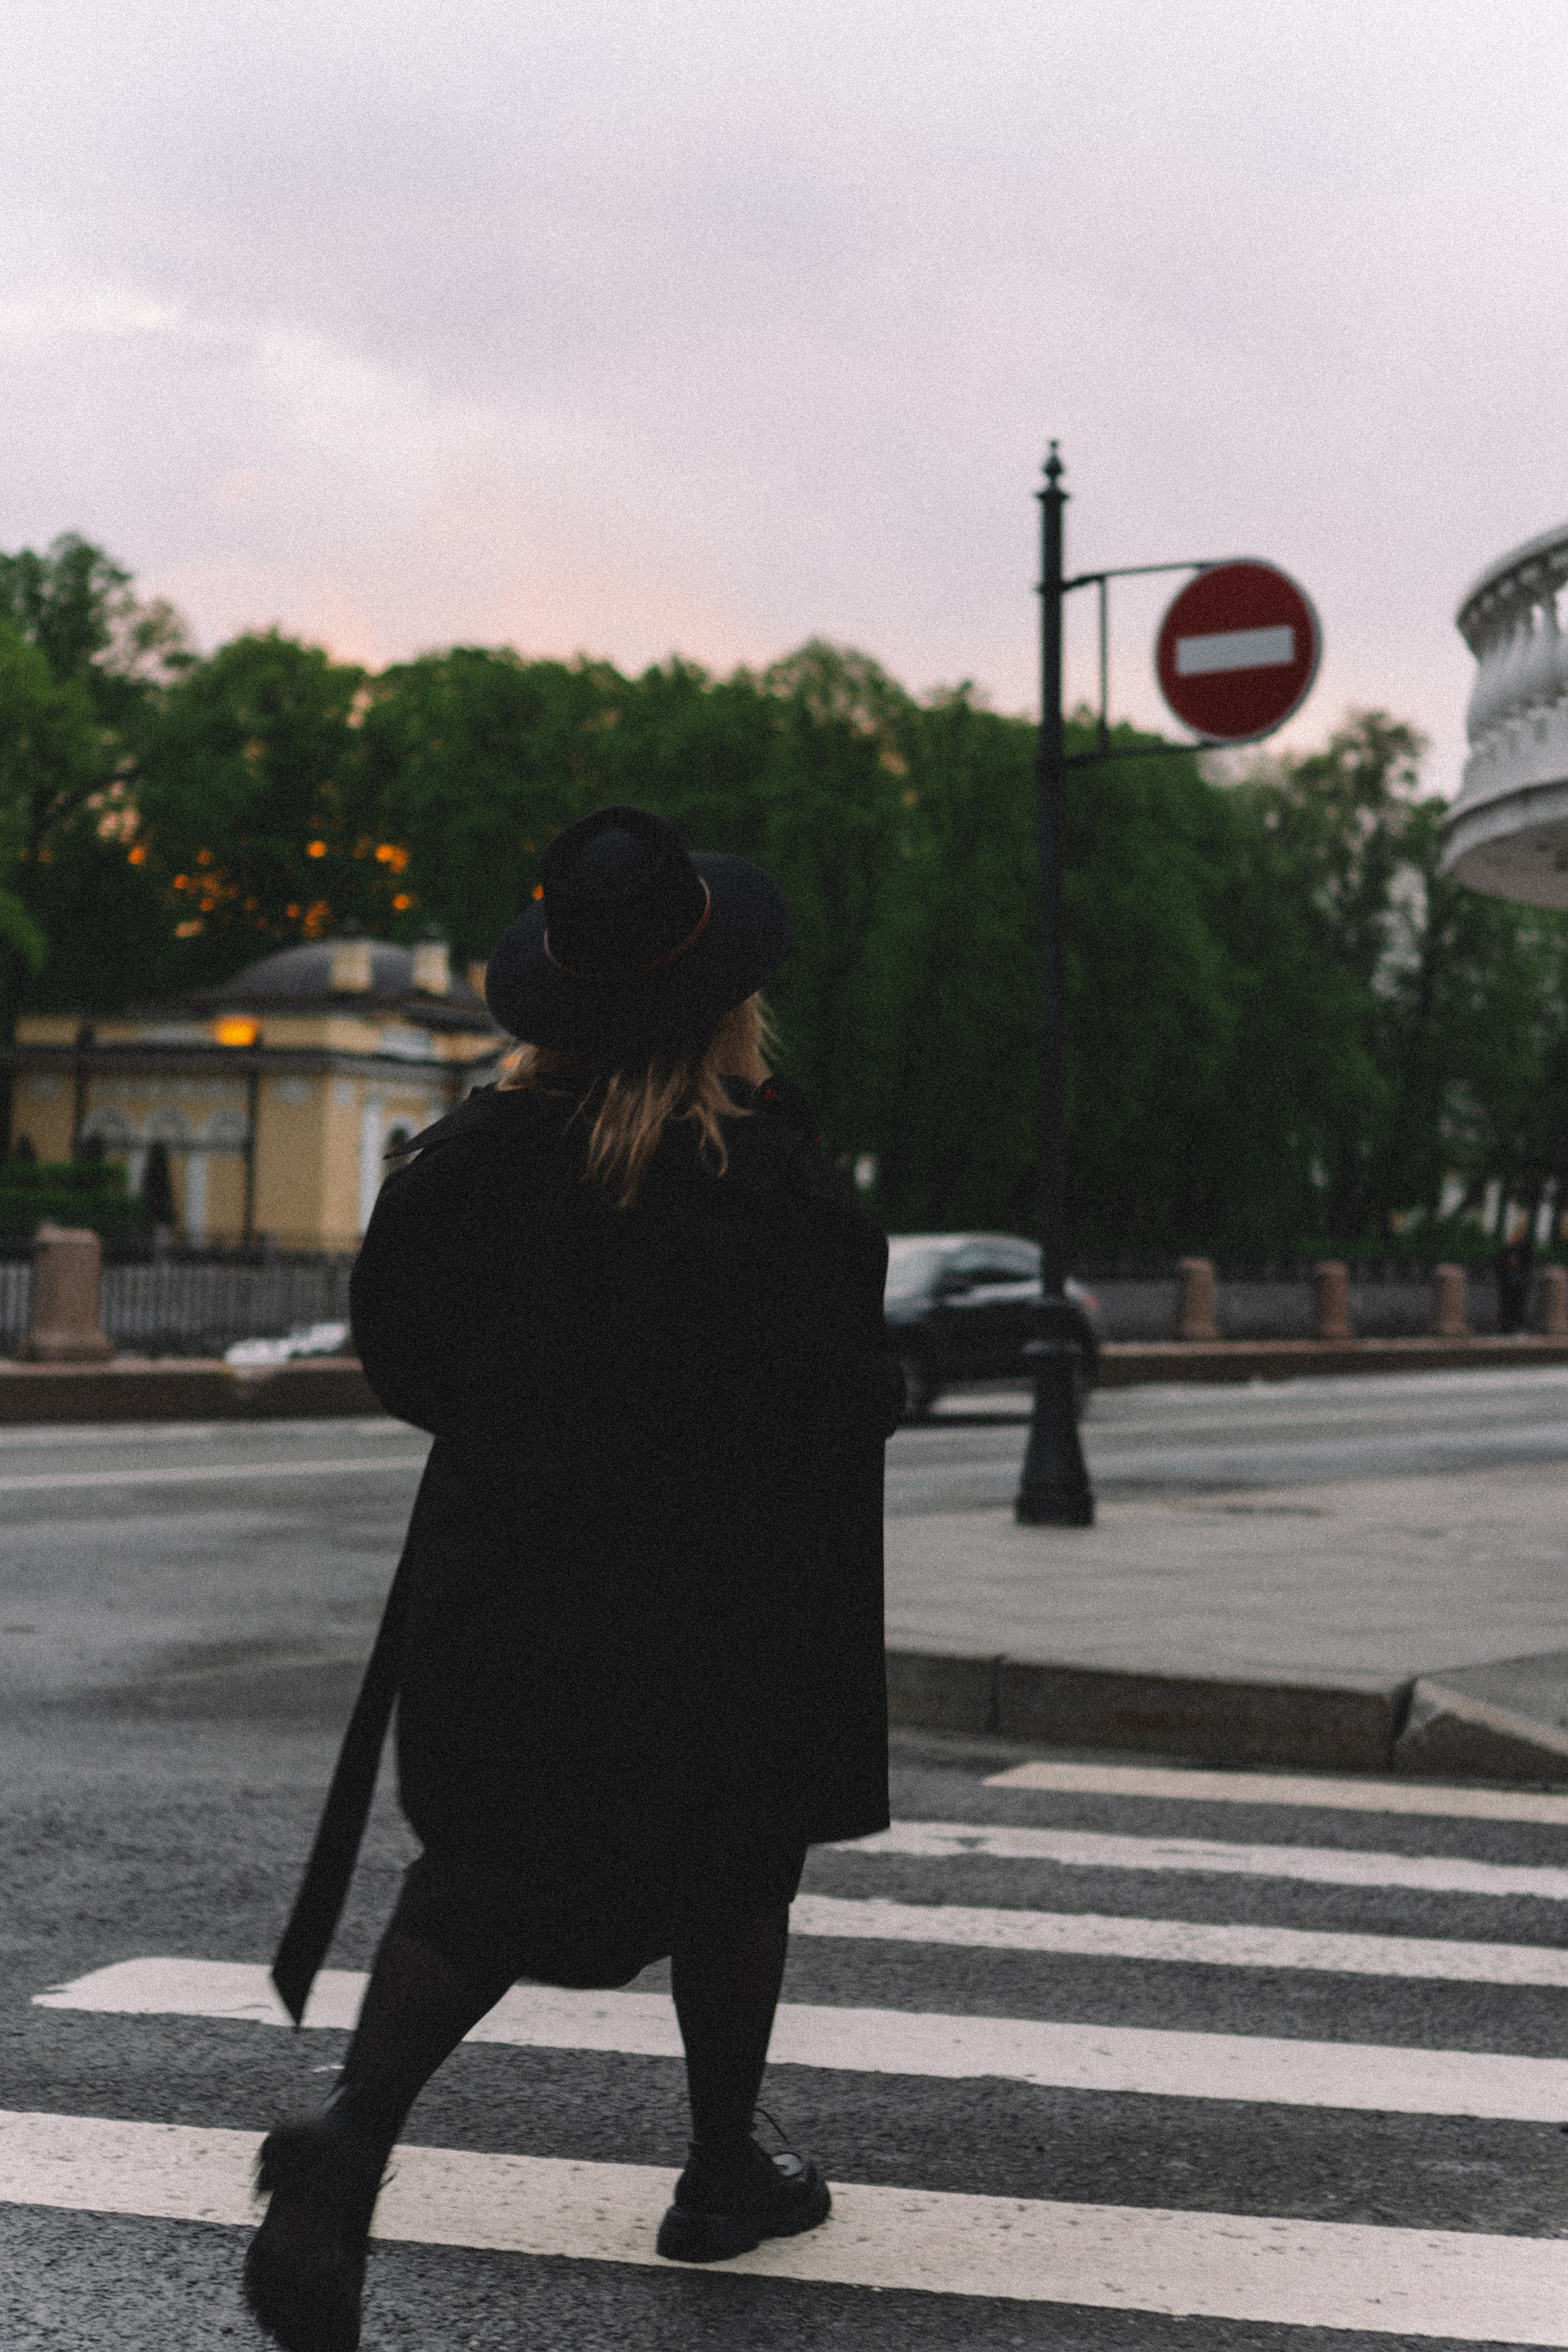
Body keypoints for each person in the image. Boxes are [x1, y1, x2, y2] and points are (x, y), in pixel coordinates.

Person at [243, 805, 900, 2352]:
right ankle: (720, 2167)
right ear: (725, 1006)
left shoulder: (463, 1170)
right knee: (733, 1862)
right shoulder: (772, 1187)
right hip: (716, 1615)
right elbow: (844, 1395)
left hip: (510, 1595)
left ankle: (353, 2138)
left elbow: (404, 1362)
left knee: (480, 1882)